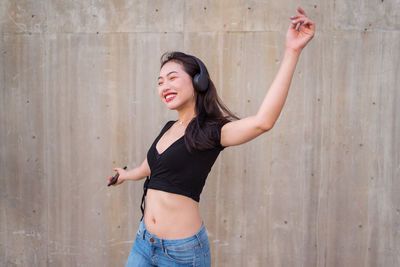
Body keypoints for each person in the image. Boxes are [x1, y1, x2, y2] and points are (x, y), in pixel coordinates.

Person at [108, 7, 315, 267]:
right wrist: (127, 174)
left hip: (181, 253)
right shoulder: (168, 127)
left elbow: (263, 122)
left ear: (198, 82)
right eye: (160, 82)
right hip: (144, 242)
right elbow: (153, 167)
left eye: (172, 78)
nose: (164, 86)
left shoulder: (211, 132)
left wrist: (292, 51)